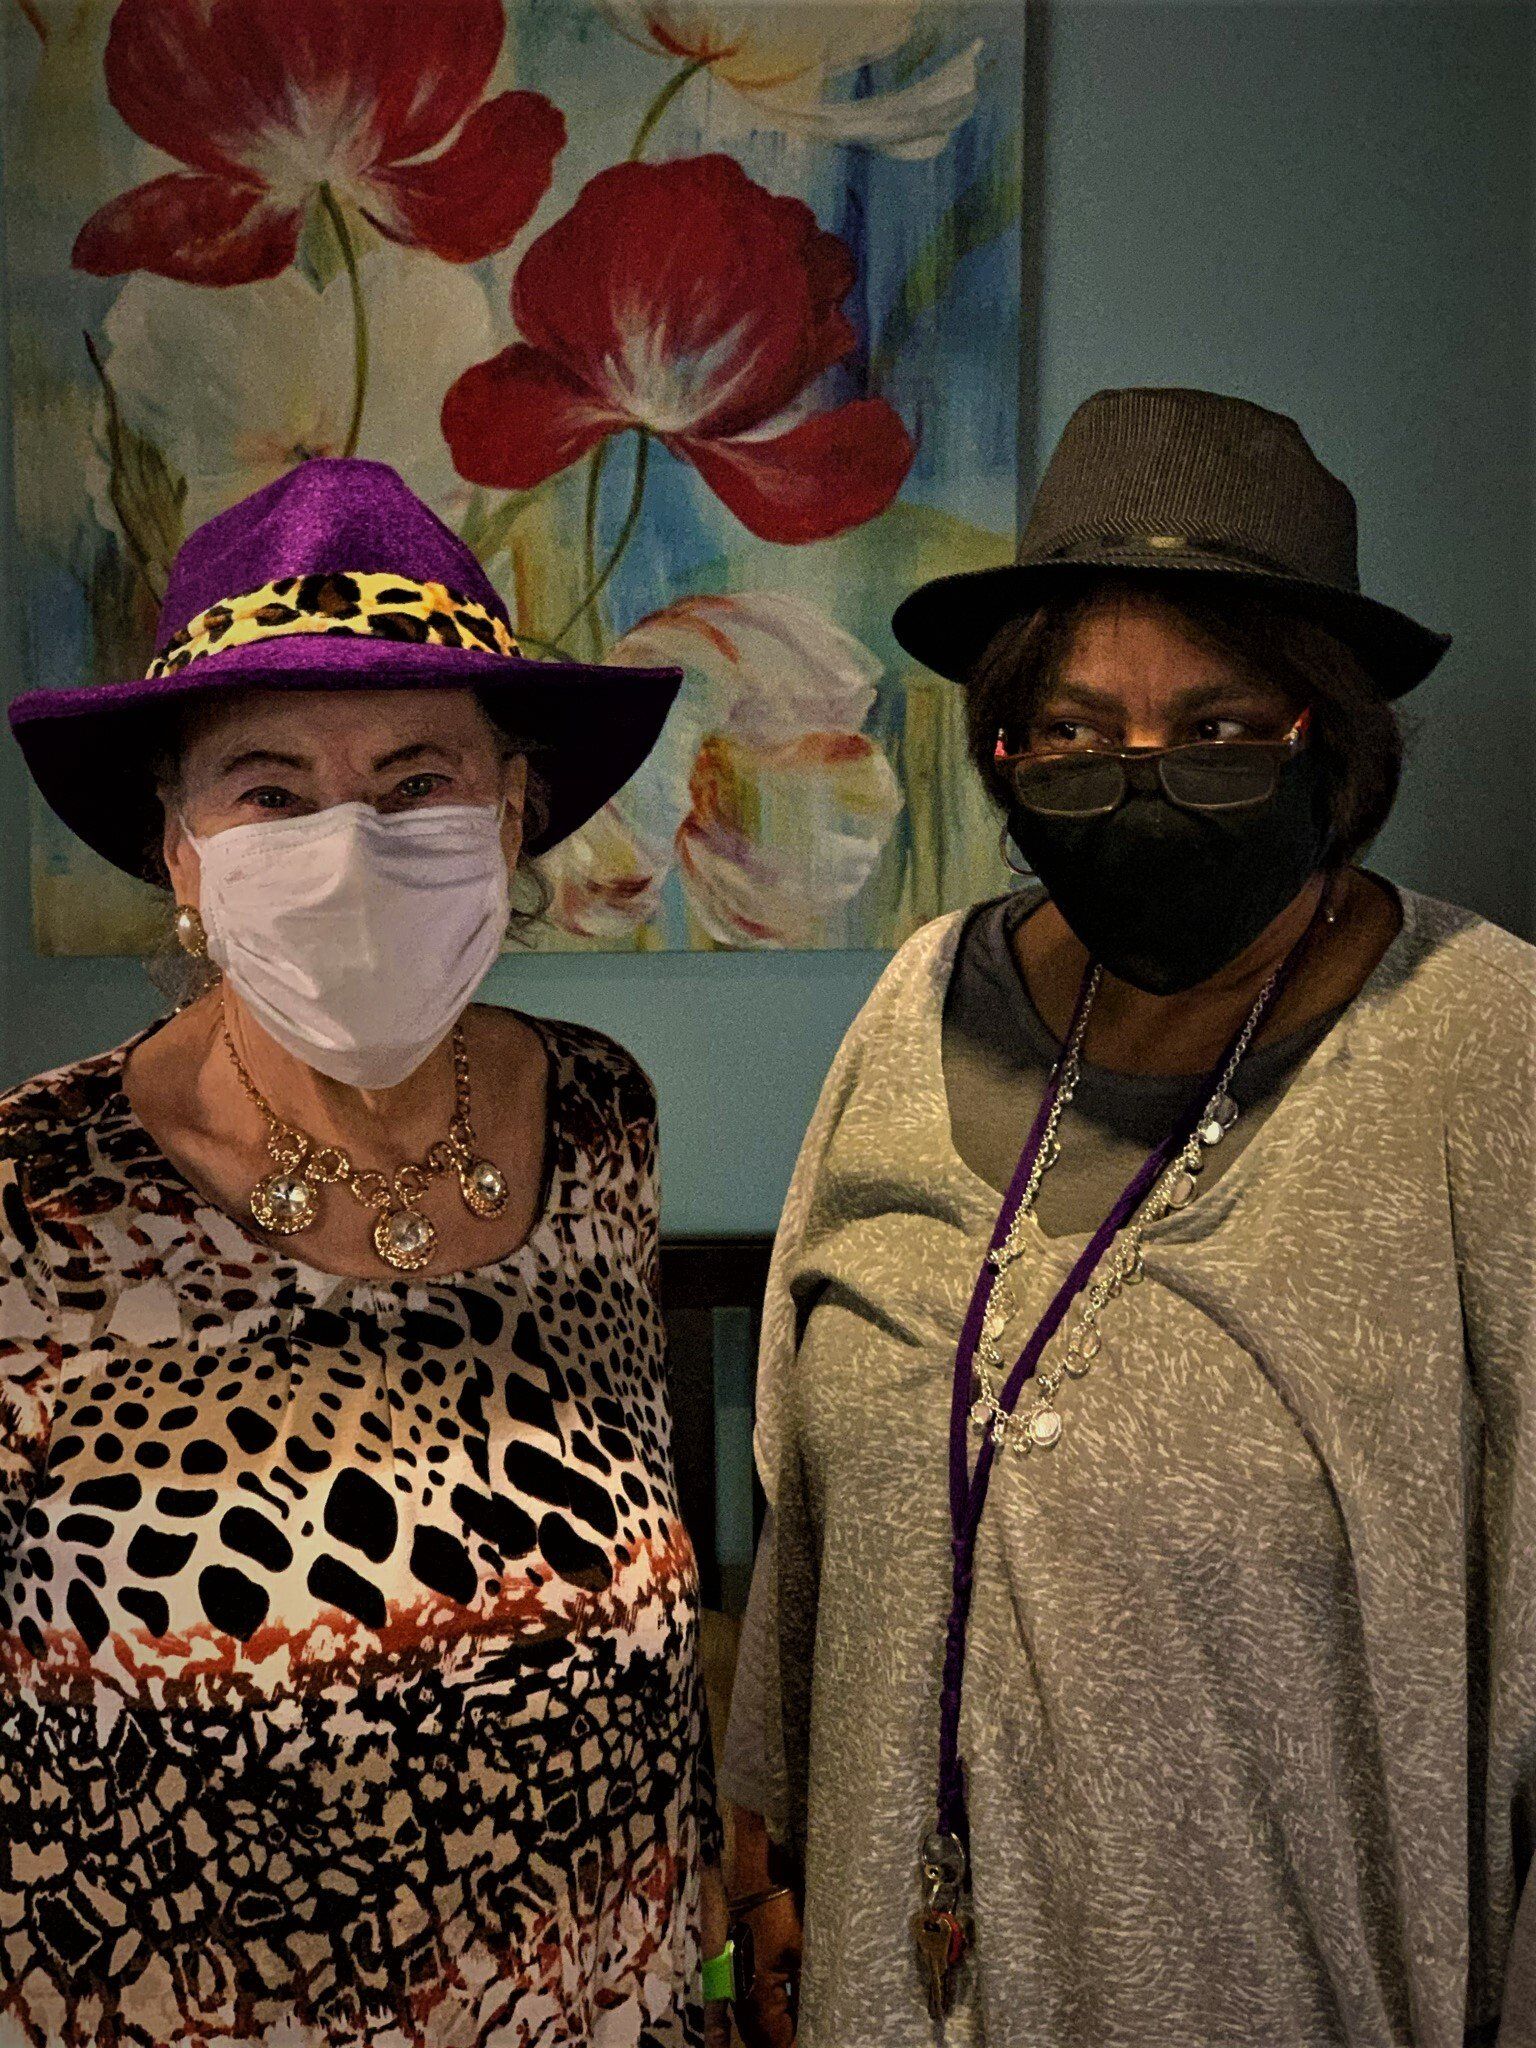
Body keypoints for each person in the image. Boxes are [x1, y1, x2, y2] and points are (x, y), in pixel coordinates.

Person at [718, 388, 1536, 2047]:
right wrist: (769, 1851)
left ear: (1331, 738)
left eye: (1218, 728)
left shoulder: (1490, 1047)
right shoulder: (915, 1006)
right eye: (1077, 733)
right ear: (1006, 750)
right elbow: (809, 1513)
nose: (1142, 785)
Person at [1, 457, 730, 2047]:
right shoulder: (29, 1197)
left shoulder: (598, 1117)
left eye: (418, 782)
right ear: (180, 850)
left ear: (512, 812)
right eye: (269, 791)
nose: (350, 847)